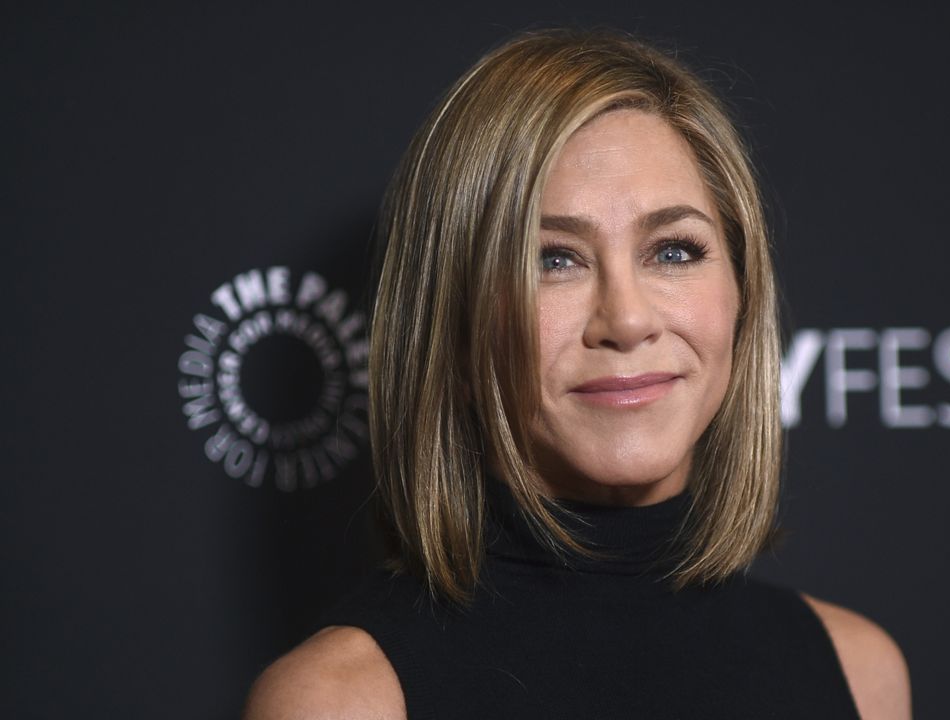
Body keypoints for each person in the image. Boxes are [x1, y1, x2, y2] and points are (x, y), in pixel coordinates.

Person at [243, 27, 910, 720]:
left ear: (742, 294)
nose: (626, 320)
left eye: (674, 252)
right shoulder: (343, 700)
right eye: (552, 259)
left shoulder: (857, 672)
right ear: (455, 320)